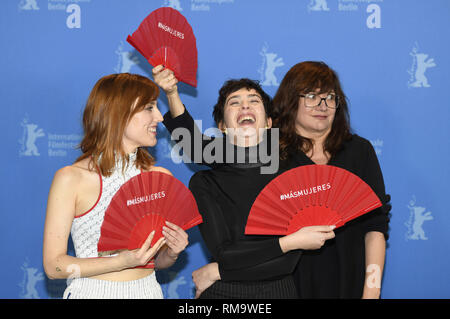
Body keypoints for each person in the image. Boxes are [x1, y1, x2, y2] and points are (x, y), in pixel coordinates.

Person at [153, 65, 336, 299]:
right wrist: (291, 241)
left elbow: (286, 264)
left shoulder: (295, 174)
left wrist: (218, 272)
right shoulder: (205, 181)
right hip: (222, 296)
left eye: (254, 100)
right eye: (234, 102)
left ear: (269, 123)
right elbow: (227, 254)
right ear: (222, 127)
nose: (245, 105)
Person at [43, 73, 189, 299]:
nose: (160, 117)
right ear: (118, 113)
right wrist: (120, 261)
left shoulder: (159, 178)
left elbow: (155, 262)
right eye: (149, 107)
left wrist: (172, 252)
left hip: (149, 292)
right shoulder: (71, 178)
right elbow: (54, 267)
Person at [271, 61, 391, 298]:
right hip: (285, 285)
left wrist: (372, 290)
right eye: (312, 96)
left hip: (349, 282)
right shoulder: (271, 154)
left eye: (330, 97)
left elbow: (375, 227)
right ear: (290, 101)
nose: (322, 105)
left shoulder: (359, 151)